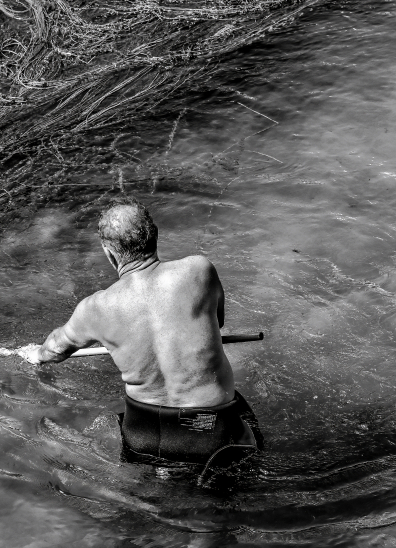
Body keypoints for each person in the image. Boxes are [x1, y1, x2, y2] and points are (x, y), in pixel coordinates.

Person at [18, 199, 261, 470]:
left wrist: (35, 354)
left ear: (109, 253)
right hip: (211, 431)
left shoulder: (94, 308)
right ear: (155, 237)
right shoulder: (198, 270)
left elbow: (55, 349)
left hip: (143, 434)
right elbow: (218, 321)